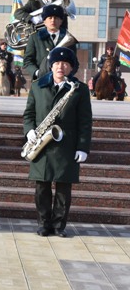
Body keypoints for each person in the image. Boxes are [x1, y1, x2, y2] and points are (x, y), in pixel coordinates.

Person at [23, 47, 92, 237]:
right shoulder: (37, 86)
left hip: (67, 145)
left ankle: (59, 226)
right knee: (41, 188)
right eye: (56, 63)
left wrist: (83, 147)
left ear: (71, 68)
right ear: (51, 65)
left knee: (63, 188)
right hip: (41, 143)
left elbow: (85, 121)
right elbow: (29, 114)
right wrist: (29, 131)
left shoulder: (80, 89)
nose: (60, 67)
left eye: (65, 64)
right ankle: (44, 224)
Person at [23, 4, 78, 81]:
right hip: (40, 81)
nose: (53, 20)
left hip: (63, 82)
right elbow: (27, 60)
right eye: (50, 18)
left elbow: (74, 63)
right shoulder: (34, 38)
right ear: (44, 21)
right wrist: (36, 73)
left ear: (61, 21)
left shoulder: (68, 39)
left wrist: (67, 76)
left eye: (56, 18)